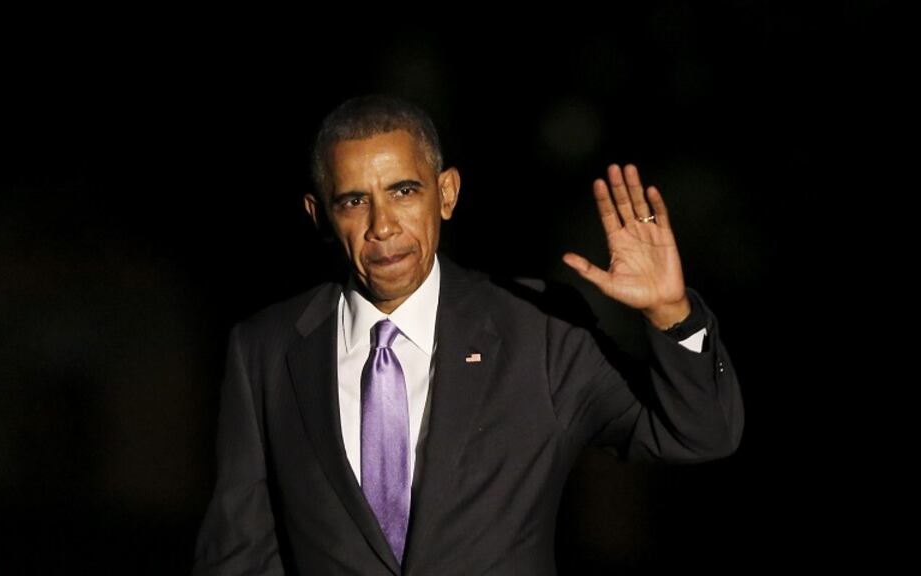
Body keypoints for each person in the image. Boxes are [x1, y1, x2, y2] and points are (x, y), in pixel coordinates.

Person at [192, 95, 743, 575]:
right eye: (355, 201)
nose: (382, 226)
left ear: (447, 193)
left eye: (404, 191)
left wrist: (672, 314)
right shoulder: (266, 350)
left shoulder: (538, 332)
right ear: (319, 215)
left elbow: (699, 435)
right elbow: (239, 553)